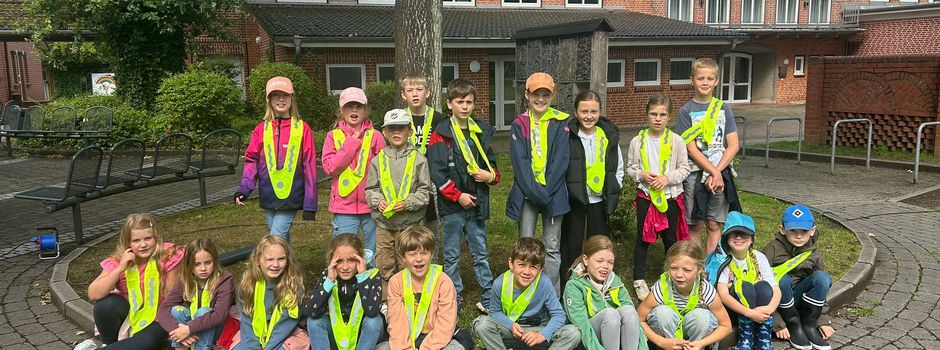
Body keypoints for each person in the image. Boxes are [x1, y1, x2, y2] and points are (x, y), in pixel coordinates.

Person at [427, 78, 497, 308]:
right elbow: (437, 172)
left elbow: (492, 167)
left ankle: (488, 295)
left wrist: (489, 176)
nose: (465, 107)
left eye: (469, 102)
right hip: (452, 206)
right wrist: (458, 196)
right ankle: (453, 296)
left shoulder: (480, 131)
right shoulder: (441, 133)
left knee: (480, 252)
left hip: (476, 203)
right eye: (460, 102)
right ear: (449, 104)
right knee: (452, 255)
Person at [508, 72, 571, 294]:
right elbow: (520, 163)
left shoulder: (561, 122)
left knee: (552, 245)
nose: (540, 99)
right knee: (525, 243)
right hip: (527, 194)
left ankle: (551, 294)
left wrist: (546, 192)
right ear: (527, 95)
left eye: (546, 94)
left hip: (554, 193)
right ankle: (523, 291)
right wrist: (536, 192)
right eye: (536, 94)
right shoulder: (519, 124)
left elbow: (561, 160)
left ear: (553, 95)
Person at [236, 76, 318, 242]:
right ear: (269, 99)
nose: (281, 99)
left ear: (292, 98)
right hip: (268, 194)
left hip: (291, 195)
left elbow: (309, 165)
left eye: (285, 95)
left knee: (274, 239)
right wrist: (244, 189)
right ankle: (287, 259)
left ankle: (271, 260)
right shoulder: (261, 129)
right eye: (276, 95)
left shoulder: (302, 128)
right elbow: (251, 161)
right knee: (281, 239)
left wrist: (310, 203)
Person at [627, 93, 692, 302]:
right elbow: (630, 168)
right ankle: (639, 279)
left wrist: (667, 179)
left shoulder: (677, 141)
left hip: (670, 196)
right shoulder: (637, 141)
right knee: (642, 237)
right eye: (653, 114)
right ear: (647, 115)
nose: (657, 118)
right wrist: (641, 175)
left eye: (662, 115)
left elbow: (684, 168)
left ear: (669, 116)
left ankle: (673, 276)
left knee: (671, 237)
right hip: (647, 197)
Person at [86, 213, 184, 349]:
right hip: (132, 309)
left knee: (148, 340)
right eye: (136, 241)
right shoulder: (120, 259)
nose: (143, 245)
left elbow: (170, 296)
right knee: (105, 305)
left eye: (148, 238)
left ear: (156, 238)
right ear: (127, 243)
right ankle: (108, 344)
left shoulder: (168, 254)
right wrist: (120, 269)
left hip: (160, 312)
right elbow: (93, 294)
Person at [673, 58, 742, 254]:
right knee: (694, 224)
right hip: (694, 173)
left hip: (720, 171)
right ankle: (695, 265)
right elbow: (690, 148)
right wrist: (714, 171)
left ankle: (712, 265)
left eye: (710, 78)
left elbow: (733, 144)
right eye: (700, 78)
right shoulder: (686, 111)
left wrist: (717, 172)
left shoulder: (724, 108)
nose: (705, 82)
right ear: (692, 80)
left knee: (714, 222)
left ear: (717, 81)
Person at [561, 90, 624, 290]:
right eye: (584, 111)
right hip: (575, 200)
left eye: (594, 111)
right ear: (575, 112)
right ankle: (569, 287)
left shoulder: (608, 136)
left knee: (599, 246)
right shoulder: (568, 136)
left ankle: (598, 287)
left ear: (600, 112)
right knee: (571, 245)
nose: (589, 116)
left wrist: (615, 187)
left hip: (599, 200)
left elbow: (617, 166)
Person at [365, 109, 433, 293]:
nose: (396, 132)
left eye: (401, 128)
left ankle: (410, 297)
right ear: (384, 132)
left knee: (408, 261)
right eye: (391, 128)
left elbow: (424, 192)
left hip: (410, 224)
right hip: (384, 225)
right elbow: (370, 190)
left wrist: (408, 203)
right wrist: (378, 201)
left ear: (409, 131)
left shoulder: (419, 159)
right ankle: (387, 299)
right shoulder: (377, 160)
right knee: (384, 262)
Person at [471, 237, 580, 350]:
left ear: (541, 270)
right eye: (522, 264)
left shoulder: (544, 282)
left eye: (533, 267)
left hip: (537, 333)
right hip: (511, 332)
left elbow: (559, 314)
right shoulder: (499, 283)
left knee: (573, 332)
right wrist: (510, 325)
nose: (527, 272)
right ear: (511, 263)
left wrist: (542, 335)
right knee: (481, 324)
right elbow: (495, 312)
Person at [323, 87, 387, 260]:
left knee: (374, 254)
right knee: (344, 253)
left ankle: (372, 277)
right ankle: (347, 278)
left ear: (365, 110)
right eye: (349, 106)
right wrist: (351, 143)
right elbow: (330, 168)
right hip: (344, 207)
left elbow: (384, 170)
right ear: (341, 110)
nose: (354, 110)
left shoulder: (376, 136)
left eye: (358, 106)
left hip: (372, 207)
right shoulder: (332, 136)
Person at [377, 227, 464, 350]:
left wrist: (427, 348)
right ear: (403, 257)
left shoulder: (444, 281)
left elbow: (445, 324)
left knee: (456, 348)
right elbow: (396, 322)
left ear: (432, 254)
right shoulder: (396, 282)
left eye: (424, 253)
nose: (419, 259)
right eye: (412, 254)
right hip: (406, 338)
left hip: (434, 338)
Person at [763, 205, 834, 350]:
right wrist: (777, 323)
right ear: (782, 229)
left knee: (823, 278)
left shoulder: (814, 254)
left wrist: (822, 320)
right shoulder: (772, 250)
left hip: (801, 301)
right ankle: (794, 324)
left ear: (812, 230)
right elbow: (761, 286)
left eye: (804, 231)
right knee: (783, 280)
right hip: (778, 303)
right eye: (793, 231)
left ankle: (809, 324)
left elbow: (822, 291)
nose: (799, 236)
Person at [638, 241, 732, 350]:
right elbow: (639, 319)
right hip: (666, 340)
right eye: (674, 268)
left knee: (702, 317)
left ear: (699, 269)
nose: (679, 275)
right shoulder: (662, 287)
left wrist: (701, 343)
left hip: (696, 341)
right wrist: (662, 342)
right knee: (662, 313)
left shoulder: (706, 290)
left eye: (687, 270)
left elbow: (726, 326)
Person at [563, 235, 648, 350]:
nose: (605, 266)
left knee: (629, 311)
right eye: (600, 261)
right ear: (586, 260)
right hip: (588, 340)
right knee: (610, 314)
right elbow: (583, 326)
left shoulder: (615, 282)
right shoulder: (574, 286)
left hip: (615, 338)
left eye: (610, 262)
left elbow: (636, 323)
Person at [304, 233, 385, 350]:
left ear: (361, 259)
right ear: (331, 260)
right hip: (338, 337)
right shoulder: (328, 275)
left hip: (363, 337)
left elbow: (372, 311)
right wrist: (329, 282)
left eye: (351, 260)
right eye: (339, 261)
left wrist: (363, 278)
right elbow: (311, 312)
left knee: (374, 321)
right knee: (314, 322)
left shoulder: (372, 274)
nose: (345, 267)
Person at [715, 212, 780, 350]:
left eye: (744, 234)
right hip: (735, 310)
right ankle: (745, 338)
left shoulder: (759, 257)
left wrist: (769, 310)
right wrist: (749, 313)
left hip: (761, 310)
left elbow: (775, 289)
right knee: (745, 287)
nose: (739, 238)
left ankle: (763, 338)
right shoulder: (723, 259)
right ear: (726, 238)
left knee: (764, 286)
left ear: (751, 239)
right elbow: (723, 294)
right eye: (734, 234)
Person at [157, 238, 233, 350]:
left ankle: (202, 348)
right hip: (192, 328)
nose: (203, 268)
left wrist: (188, 329)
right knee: (176, 310)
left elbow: (219, 314)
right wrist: (178, 330)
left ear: (215, 261)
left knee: (203, 312)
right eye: (196, 264)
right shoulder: (185, 280)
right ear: (189, 265)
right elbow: (163, 309)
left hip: (217, 329)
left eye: (208, 262)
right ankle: (181, 347)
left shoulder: (224, 279)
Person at [400, 74, 446, 245]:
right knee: (408, 222)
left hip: (432, 177)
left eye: (419, 89)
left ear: (427, 93)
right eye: (410, 90)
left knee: (431, 221)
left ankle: (432, 256)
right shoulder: (400, 119)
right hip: (406, 177)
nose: (415, 94)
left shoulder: (438, 119)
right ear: (403, 95)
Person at [234, 236, 304, 350]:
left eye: (281, 259)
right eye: (269, 259)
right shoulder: (247, 286)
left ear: (288, 260)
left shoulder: (293, 287)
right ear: (257, 260)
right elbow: (247, 325)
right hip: (254, 335)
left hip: (283, 336)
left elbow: (284, 328)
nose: (275, 264)